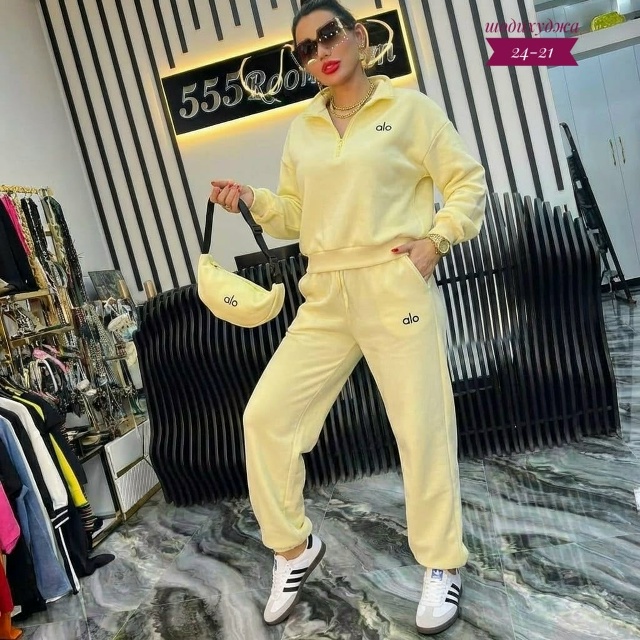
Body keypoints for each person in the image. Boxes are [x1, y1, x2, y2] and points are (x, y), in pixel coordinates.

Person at [209, 0, 487, 634]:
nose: (321, 53)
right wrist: (252, 199)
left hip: (393, 284)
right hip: (327, 293)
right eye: (306, 49)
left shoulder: (410, 111)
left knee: (421, 428)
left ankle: (442, 563)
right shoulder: (304, 129)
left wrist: (437, 239)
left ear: (359, 37)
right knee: (266, 417)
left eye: (329, 36)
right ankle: (293, 547)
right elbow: (296, 213)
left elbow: (467, 182)